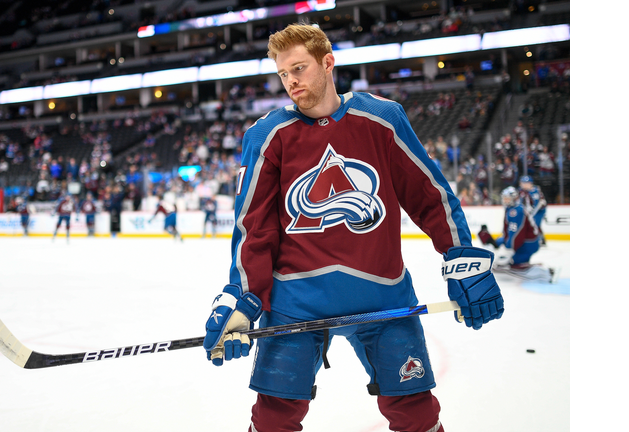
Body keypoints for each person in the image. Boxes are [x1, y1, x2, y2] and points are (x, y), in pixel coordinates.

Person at [202, 23, 504, 432]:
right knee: (274, 417)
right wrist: (243, 294)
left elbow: (429, 193)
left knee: (415, 411)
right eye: (282, 73)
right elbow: (253, 225)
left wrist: (462, 256)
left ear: (328, 62)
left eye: (299, 68)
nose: (291, 81)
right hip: (296, 300)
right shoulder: (267, 135)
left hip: (382, 296)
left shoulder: (382, 118)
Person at [477, 187, 556, 283]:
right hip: (526, 241)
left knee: (515, 264)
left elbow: (516, 234)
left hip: (528, 244)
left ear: (514, 198)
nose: (505, 200)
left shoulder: (516, 211)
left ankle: (545, 273)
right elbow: (510, 233)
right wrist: (499, 242)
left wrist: (509, 249)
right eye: (504, 198)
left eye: (507, 198)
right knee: (499, 244)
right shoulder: (512, 209)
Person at [518, 175, 547, 245]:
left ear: (531, 184)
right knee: (532, 225)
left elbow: (540, 203)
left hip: (539, 211)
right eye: (523, 183)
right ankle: (541, 239)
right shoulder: (521, 192)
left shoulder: (536, 190)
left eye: (526, 183)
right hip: (529, 211)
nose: (525, 185)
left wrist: (541, 204)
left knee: (535, 224)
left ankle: (539, 240)